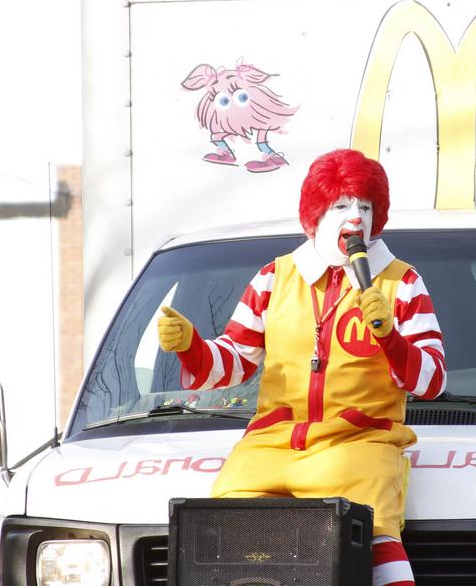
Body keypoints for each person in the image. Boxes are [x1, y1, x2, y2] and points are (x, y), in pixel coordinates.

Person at [157, 148, 446, 585]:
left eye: (365, 206)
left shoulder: (402, 282)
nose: (356, 218)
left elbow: (432, 380)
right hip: (270, 444)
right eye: (341, 205)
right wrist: (192, 347)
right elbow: (235, 360)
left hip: (359, 441)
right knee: (219, 530)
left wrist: (390, 338)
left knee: (373, 530)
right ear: (315, 215)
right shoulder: (274, 277)